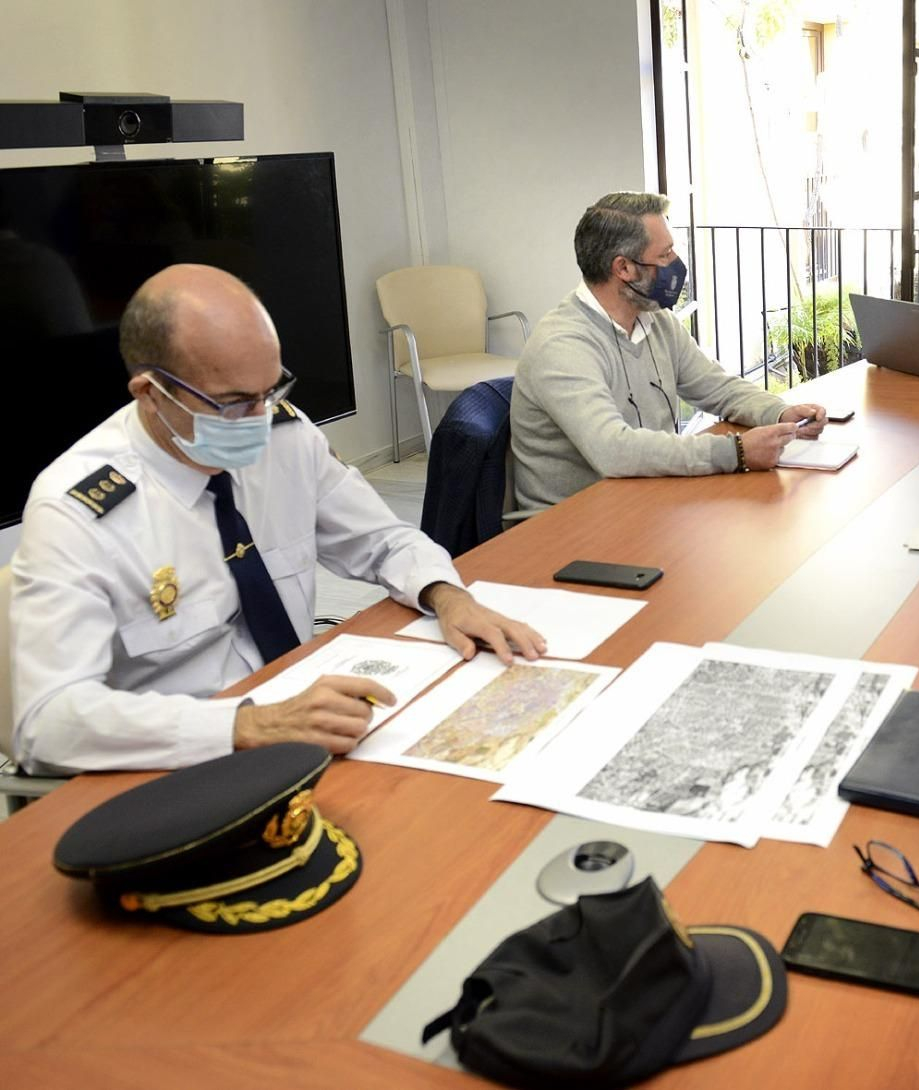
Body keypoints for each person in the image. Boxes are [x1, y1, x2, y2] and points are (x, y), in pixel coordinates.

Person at [10, 265, 546, 776]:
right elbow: (47, 720)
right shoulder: (77, 509)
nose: (260, 420)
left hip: (305, 721)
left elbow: (383, 540)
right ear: (152, 394)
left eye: (271, 391)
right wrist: (247, 724)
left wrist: (446, 595)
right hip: (184, 760)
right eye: (234, 403)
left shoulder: (285, 439)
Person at [509, 192, 826, 515]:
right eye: (665, 254)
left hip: (643, 499)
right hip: (568, 526)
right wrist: (737, 452)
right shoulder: (562, 345)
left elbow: (718, 387)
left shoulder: (655, 320)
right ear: (624, 268)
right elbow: (613, 450)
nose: (676, 264)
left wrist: (779, 413)